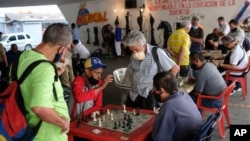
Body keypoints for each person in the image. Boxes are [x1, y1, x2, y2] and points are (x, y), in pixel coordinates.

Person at [16, 23, 72, 141]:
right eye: (68, 48)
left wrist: (54, 75)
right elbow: (40, 108)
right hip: (47, 135)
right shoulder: (44, 68)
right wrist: (63, 123)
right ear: (61, 48)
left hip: (29, 129)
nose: (65, 53)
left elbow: (30, 79)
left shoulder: (25, 56)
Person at [123, 30, 179, 110]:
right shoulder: (133, 56)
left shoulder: (157, 53)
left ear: (144, 45)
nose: (134, 52)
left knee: (149, 119)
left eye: (136, 49)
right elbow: (132, 72)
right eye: (131, 50)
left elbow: (175, 68)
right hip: (134, 94)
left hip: (149, 94)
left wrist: (163, 86)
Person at [151, 71, 203, 141]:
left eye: (155, 89)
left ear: (162, 90)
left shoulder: (169, 106)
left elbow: (159, 138)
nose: (153, 92)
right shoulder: (184, 94)